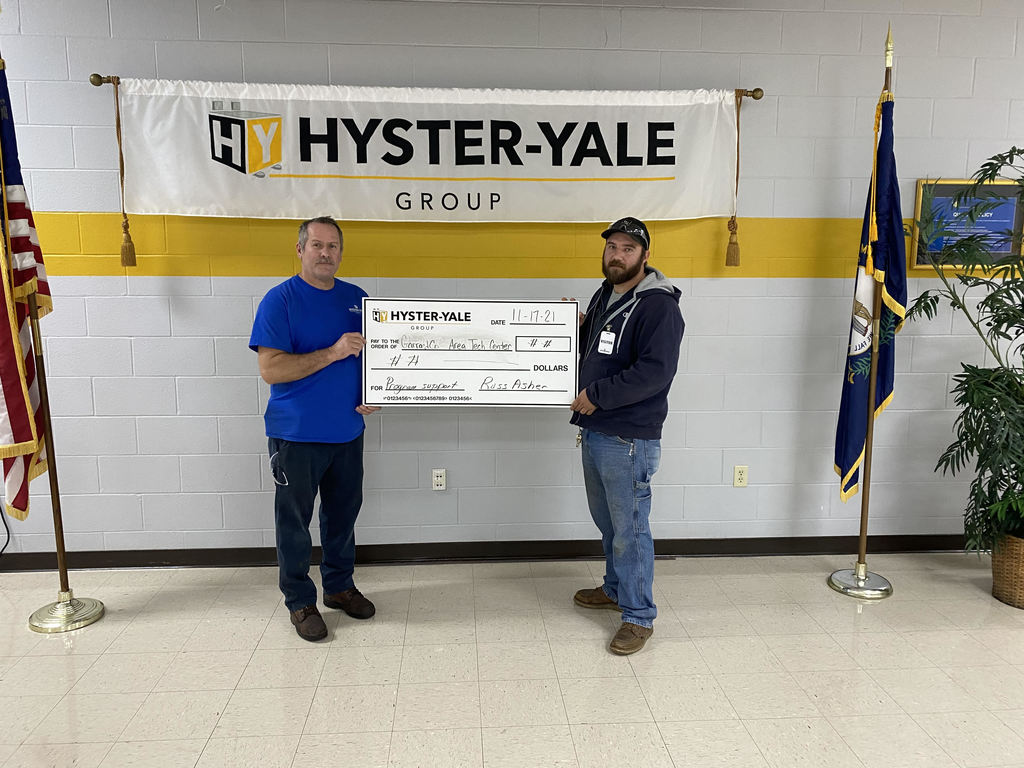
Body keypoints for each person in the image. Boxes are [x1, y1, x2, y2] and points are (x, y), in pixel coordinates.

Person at [250, 216, 380, 642]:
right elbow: (271, 369)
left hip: (347, 431)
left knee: (342, 516)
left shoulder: (357, 299)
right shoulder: (280, 300)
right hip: (296, 435)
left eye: (333, 246)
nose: (326, 253)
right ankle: (300, 601)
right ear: (300, 249)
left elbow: (373, 359)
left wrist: (375, 390)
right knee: (294, 522)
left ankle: (339, 587)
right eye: (317, 245)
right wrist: (333, 352)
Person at [569, 216, 685, 655]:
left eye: (628, 249)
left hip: (628, 439)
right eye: (612, 247)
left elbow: (653, 373)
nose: (617, 255)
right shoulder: (605, 294)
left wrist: (596, 395)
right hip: (596, 430)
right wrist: (572, 328)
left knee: (630, 530)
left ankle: (638, 617)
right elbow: (602, 351)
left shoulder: (659, 307)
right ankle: (616, 589)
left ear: (645, 255)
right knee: (609, 524)